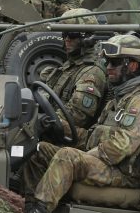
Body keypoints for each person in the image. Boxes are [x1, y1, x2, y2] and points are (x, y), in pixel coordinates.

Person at [19, 33, 140, 213]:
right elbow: (94, 135)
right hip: (106, 164)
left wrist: (86, 155)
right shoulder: (119, 99)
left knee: (67, 156)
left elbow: (119, 148)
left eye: (114, 62)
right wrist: (62, 127)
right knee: (39, 151)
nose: (108, 67)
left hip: (124, 174)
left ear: (132, 66)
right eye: (106, 61)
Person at [36, 8, 106, 148]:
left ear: (87, 38)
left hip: (69, 145)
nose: (67, 39)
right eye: (65, 34)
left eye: (72, 35)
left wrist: (39, 120)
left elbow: (76, 116)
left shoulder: (91, 72)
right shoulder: (69, 67)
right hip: (53, 133)